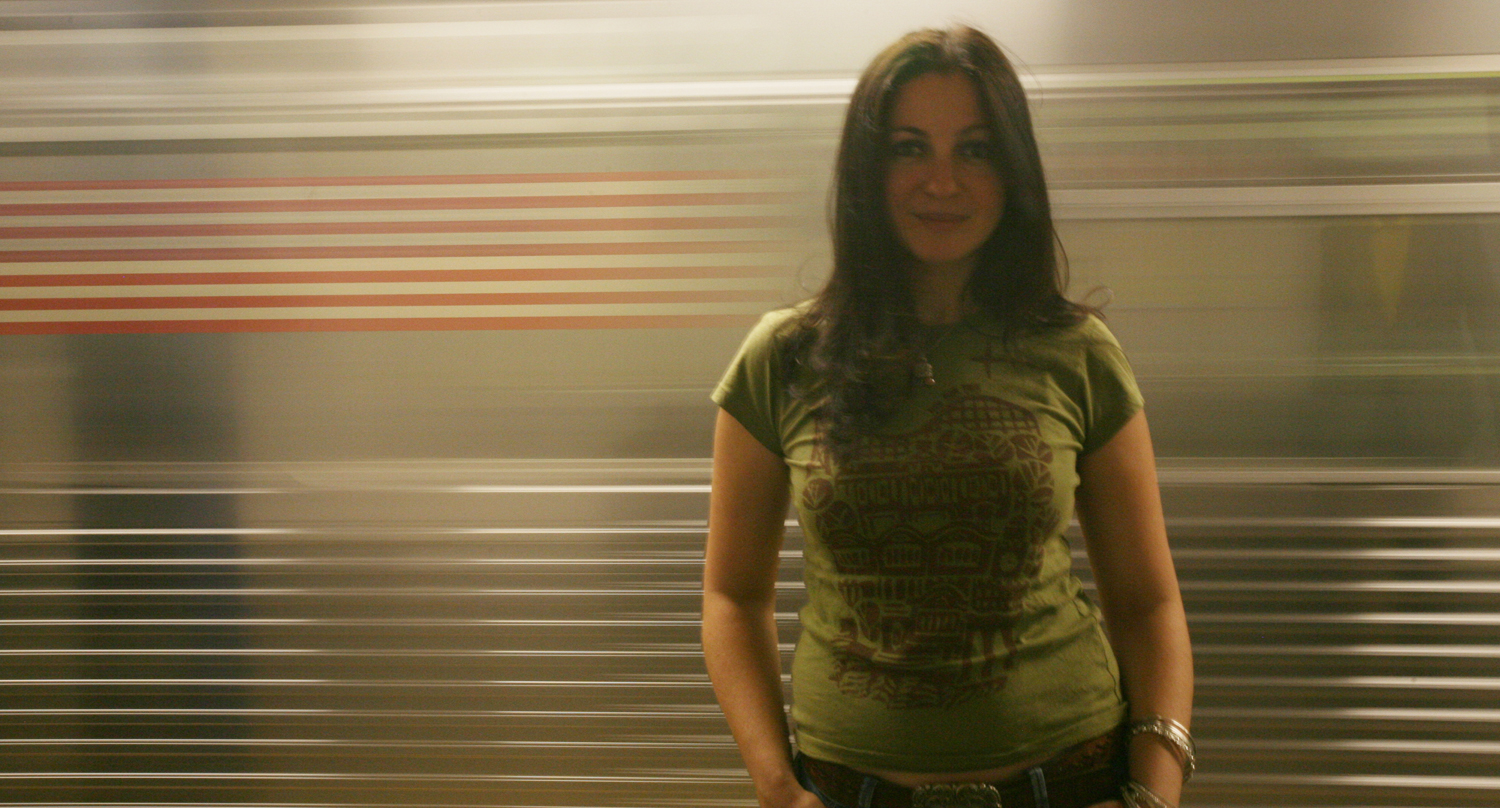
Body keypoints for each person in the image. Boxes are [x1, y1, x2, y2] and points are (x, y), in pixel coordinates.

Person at [702, 25, 1193, 808]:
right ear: (868, 170)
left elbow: (1147, 603)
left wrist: (1155, 792)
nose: (942, 180)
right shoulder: (782, 359)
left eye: (975, 149)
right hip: (849, 789)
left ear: (1012, 168)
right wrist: (776, 787)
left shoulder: (1078, 354)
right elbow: (733, 597)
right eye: (909, 148)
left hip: (1067, 779)